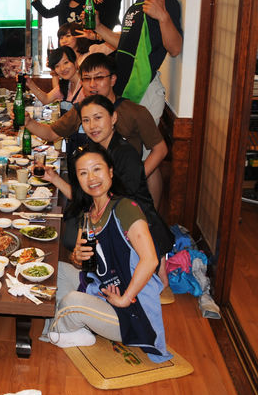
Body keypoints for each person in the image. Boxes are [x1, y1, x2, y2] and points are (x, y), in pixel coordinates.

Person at [43, 143, 171, 364]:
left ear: (110, 171)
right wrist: (76, 257)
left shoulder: (126, 208)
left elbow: (150, 260)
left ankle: (60, 330)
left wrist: (125, 298)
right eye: (83, 173)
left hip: (131, 310)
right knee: (58, 269)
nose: (91, 178)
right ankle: (66, 329)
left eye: (97, 169)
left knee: (72, 301)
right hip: (103, 290)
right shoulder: (89, 213)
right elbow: (85, 265)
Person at [43, 94, 174, 292]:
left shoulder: (125, 153)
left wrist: (87, 229)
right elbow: (84, 196)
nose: (92, 126)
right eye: (86, 120)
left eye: (98, 118)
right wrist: (53, 178)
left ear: (113, 118)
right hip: (109, 216)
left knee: (75, 236)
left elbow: (123, 206)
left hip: (135, 224)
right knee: (70, 233)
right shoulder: (95, 149)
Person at [24, 54, 167, 206]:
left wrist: (136, 177)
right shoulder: (81, 109)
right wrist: (28, 122)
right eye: (87, 79)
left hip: (124, 192)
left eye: (99, 78)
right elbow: (51, 133)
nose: (92, 84)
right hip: (93, 187)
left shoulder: (135, 112)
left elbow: (160, 149)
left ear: (112, 79)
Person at [92, 0, 183, 122]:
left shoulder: (165, 2)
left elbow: (175, 49)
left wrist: (163, 17)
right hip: (124, 89)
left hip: (143, 89)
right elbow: (125, 45)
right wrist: (98, 27)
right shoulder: (135, 6)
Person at [25, 46, 84, 116]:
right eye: (57, 66)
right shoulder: (66, 84)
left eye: (66, 62)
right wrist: (30, 83)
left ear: (75, 62)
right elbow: (46, 99)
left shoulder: (85, 84)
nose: (62, 69)